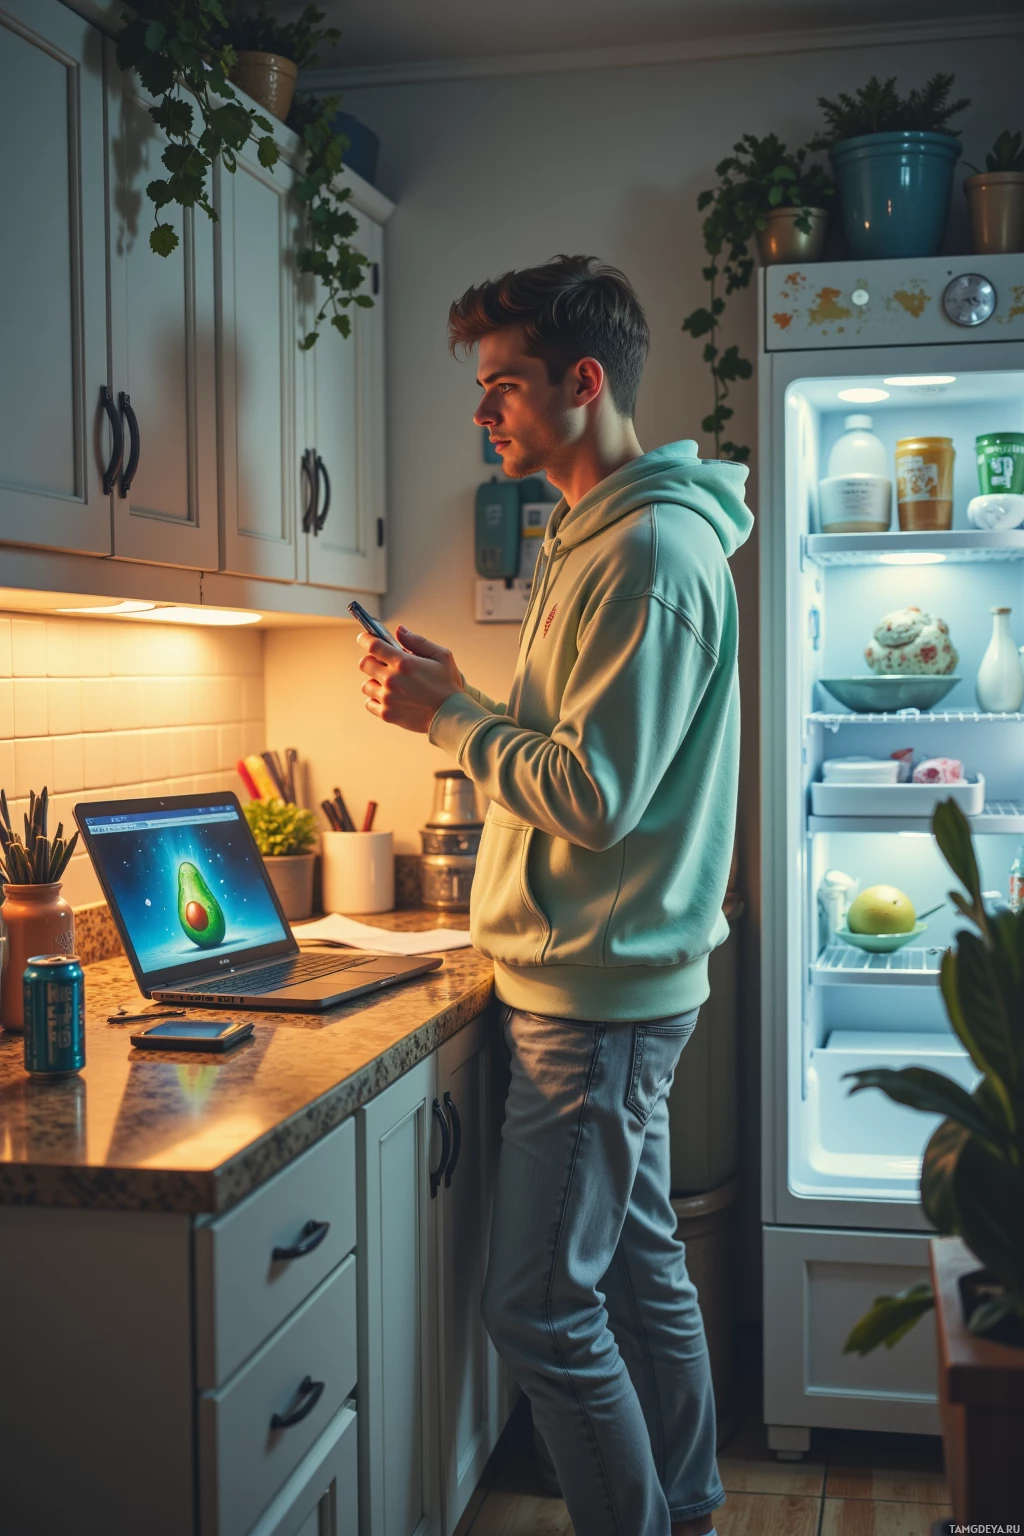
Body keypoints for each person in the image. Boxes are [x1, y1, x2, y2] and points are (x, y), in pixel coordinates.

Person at [356, 254, 752, 1536]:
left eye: (504, 387)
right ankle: (684, 1509)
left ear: (582, 382)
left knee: (539, 1308)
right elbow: (588, 744)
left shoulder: (643, 549)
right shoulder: (599, 533)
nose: (486, 416)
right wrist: (468, 691)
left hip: (596, 996)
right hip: (601, 978)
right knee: (638, 1278)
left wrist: (449, 715)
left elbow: (594, 796)